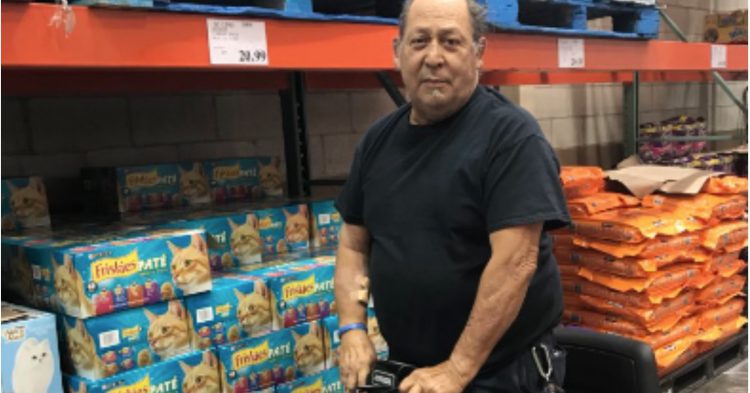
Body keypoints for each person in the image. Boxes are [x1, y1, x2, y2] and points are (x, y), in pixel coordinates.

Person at [333, 0, 571, 392]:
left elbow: (516, 263)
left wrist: (457, 370)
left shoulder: (511, 137)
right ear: (397, 52)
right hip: (411, 371)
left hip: (499, 374)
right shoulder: (378, 141)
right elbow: (354, 245)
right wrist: (352, 329)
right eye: (420, 41)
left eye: (451, 41)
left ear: (479, 53)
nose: (433, 57)